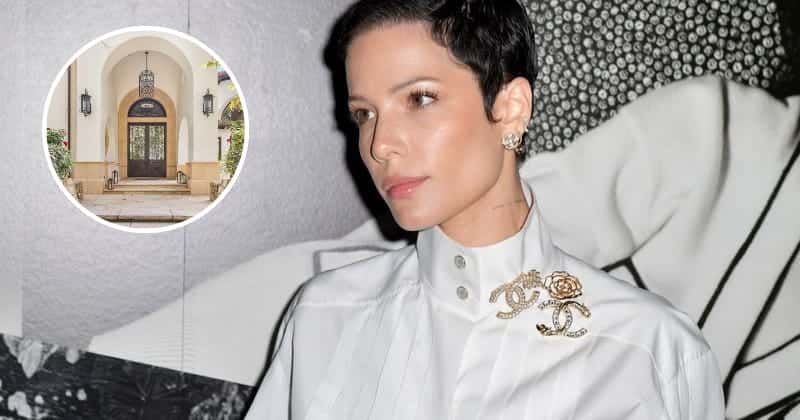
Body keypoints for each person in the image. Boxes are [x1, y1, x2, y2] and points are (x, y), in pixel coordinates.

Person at [245, 0, 725, 418]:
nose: (380, 144)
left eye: (419, 98)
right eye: (364, 114)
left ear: (510, 108)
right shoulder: (325, 316)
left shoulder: (651, 352)